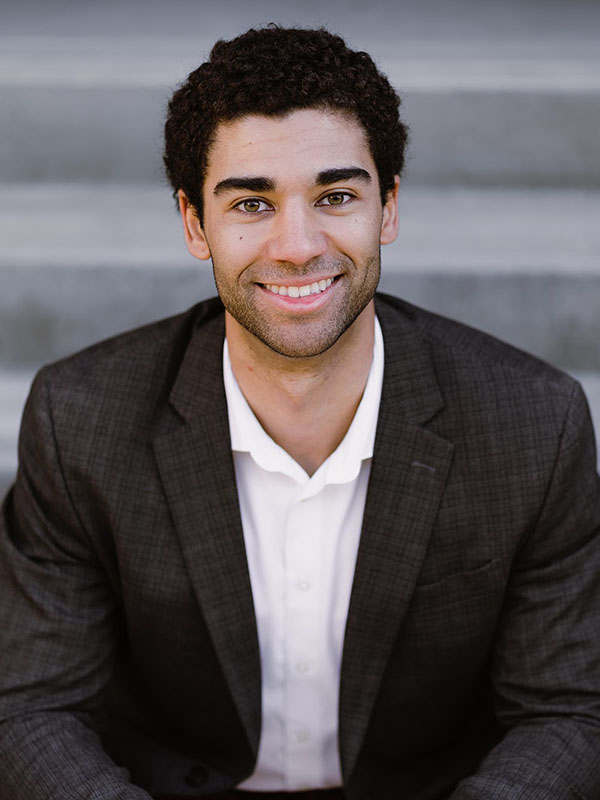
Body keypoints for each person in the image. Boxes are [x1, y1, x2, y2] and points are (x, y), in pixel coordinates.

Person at [1, 24, 599, 800]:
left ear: (387, 209)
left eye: (336, 195)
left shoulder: (533, 422)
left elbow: (569, 712)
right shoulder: (78, 419)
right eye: (252, 201)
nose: (296, 244)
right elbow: (33, 706)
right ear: (193, 223)